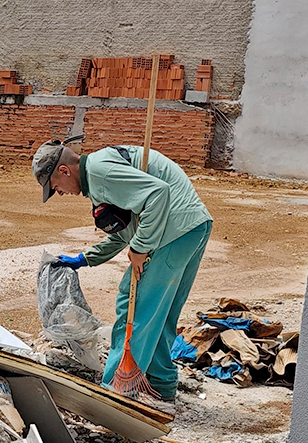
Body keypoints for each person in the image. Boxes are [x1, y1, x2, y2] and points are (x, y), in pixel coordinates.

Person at [32, 135, 213, 406]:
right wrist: (85, 259)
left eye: (55, 186)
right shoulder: (98, 175)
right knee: (158, 313)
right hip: (191, 227)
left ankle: (116, 391)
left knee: (134, 306)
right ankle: (161, 383)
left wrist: (141, 247)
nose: (59, 192)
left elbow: (158, 194)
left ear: (64, 170)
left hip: (174, 230)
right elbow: (123, 232)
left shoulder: (100, 172)